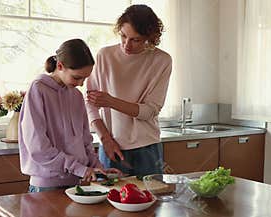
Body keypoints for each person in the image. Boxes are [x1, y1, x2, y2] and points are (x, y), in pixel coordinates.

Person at [19, 39, 121, 193]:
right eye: (76, 77)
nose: (81, 84)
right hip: (47, 185)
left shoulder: (77, 96)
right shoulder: (38, 90)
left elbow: (85, 141)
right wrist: (80, 169)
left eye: (85, 78)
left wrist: (98, 168)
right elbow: (38, 147)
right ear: (60, 66)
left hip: (77, 183)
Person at [85, 5, 172, 176]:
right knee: (109, 201)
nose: (127, 45)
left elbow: (149, 111)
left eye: (136, 40)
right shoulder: (105, 56)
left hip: (147, 148)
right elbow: (90, 104)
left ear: (150, 38)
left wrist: (110, 101)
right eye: (123, 36)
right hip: (111, 146)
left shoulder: (162, 61)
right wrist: (105, 139)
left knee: (152, 200)